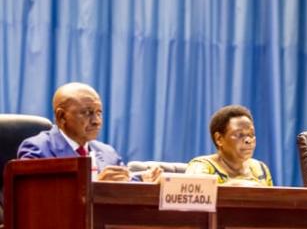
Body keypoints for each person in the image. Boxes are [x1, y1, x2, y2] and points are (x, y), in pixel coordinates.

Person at [17, 82, 161, 182]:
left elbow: (125, 183)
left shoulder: (107, 153)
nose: (96, 121)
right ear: (62, 116)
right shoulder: (38, 150)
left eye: (99, 113)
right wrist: (96, 186)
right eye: (87, 113)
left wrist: (147, 179)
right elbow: (36, 197)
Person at [187, 105, 273, 187]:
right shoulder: (201, 165)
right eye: (239, 135)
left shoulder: (261, 169)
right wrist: (247, 186)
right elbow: (194, 194)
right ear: (219, 139)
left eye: (251, 134)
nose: (248, 140)